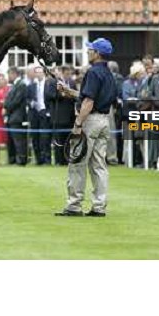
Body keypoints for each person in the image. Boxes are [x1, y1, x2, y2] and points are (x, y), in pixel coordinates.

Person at [55, 38, 117, 217]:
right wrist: (70, 92)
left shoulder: (92, 72)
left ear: (97, 54)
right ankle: (99, 206)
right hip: (104, 120)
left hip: (90, 121)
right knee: (99, 165)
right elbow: (89, 97)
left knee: (77, 161)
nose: (88, 52)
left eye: (90, 50)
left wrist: (78, 124)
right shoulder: (108, 73)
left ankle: (74, 205)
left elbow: (88, 102)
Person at [45, 66, 75, 166]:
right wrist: (62, 95)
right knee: (58, 141)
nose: (68, 75)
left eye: (69, 73)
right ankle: (59, 160)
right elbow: (49, 95)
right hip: (58, 117)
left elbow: (76, 96)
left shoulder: (72, 83)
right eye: (66, 73)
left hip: (70, 116)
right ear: (61, 73)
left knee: (68, 140)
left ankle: (67, 160)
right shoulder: (53, 82)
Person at [26, 66, 52, 165]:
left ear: (44, 73)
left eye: (40, 72)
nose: (38, 74)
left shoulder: (49, 84)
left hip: (45, 113)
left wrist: (48, 111)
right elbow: (27, 99)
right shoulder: (31, 86)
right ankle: (38, 160)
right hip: (34, 113)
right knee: (35, 138)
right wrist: (31, 103)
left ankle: (47, 159)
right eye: (36, 72)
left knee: (45, 138)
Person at [3, 67, 28, 166]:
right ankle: (12, 159)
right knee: (11, 140)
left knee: (19, 140)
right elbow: (8, 99)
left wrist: (6, 107)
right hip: (11, 117)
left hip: (17, 117)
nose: (8, 77)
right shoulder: (14, 85)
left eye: (9, 74)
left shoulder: (21, 85)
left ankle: (21, 160)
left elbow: (17, 101)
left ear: (14, 74)